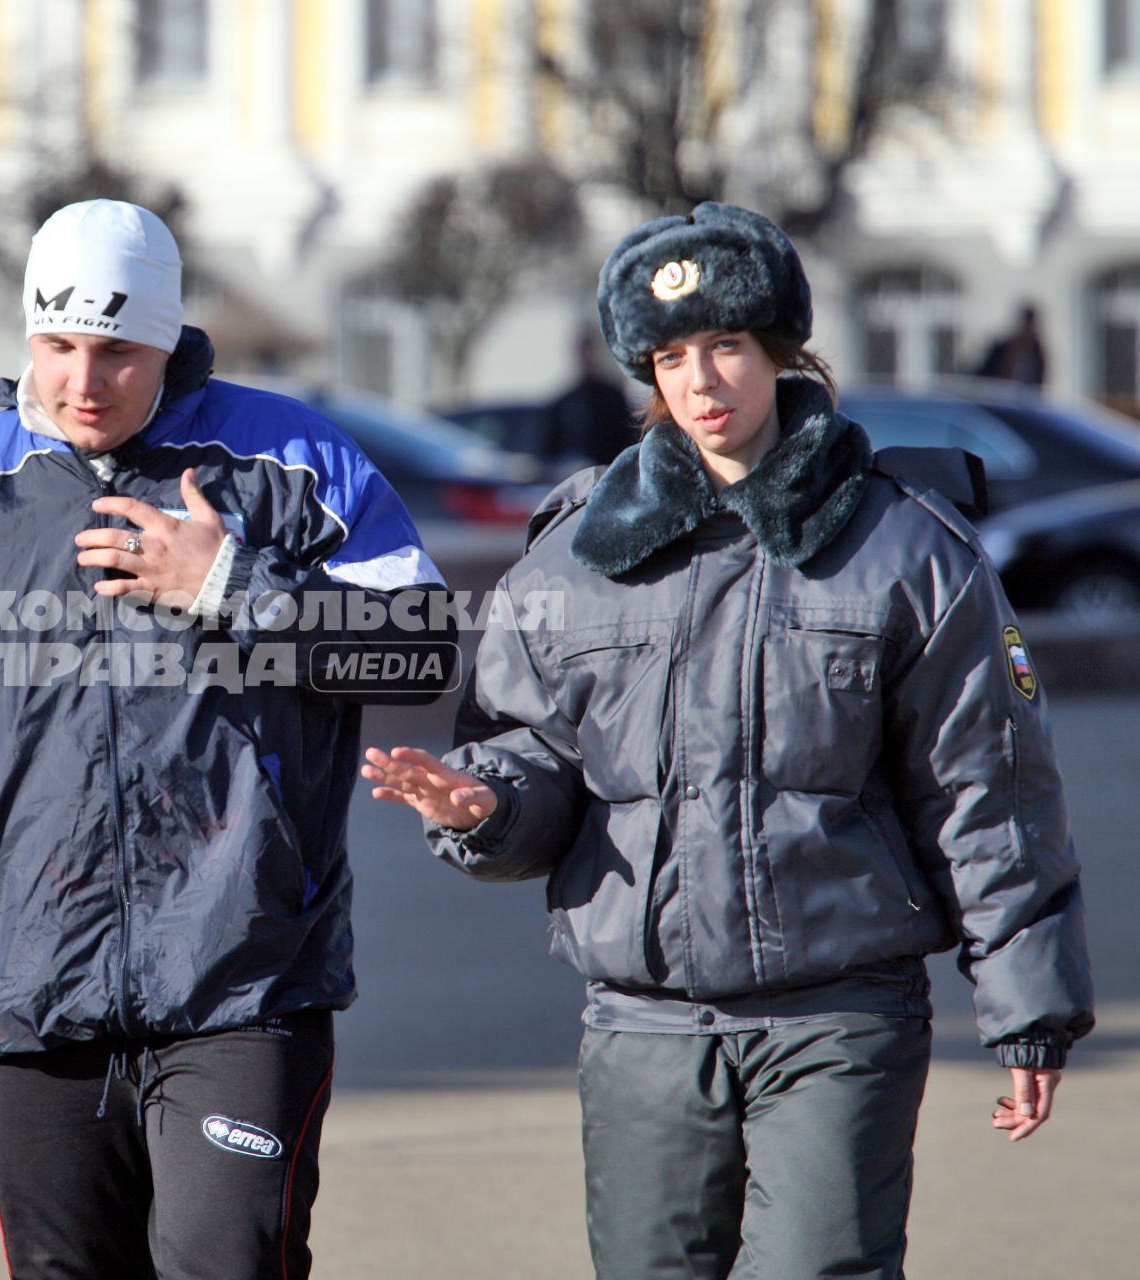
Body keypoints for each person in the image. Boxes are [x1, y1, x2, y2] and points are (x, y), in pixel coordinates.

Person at [364, 202, 1093, 1279]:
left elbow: (986, 783)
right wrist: (484, 803)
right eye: (670, 355)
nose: (702, 381)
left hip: (841, 1015)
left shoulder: (903, 545)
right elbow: (533, 755)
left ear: (783, 351)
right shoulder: (573, 557)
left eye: (727, 346)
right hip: (642, 1027)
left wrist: (1029, 1007)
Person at [0, 199, 456, 1278]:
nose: (82, 381)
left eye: (117, 351)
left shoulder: (291, 461)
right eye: (56, 346)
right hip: (31, 990)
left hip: (243, 983)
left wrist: (231, 585)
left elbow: (419, 650)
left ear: (170, 340)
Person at [547, 330, 635, 467]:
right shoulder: (567, 401)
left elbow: (626, 439)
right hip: (574, 474)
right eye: (583, 352)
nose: (587, 357)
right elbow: (552, 445)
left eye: (589, 352)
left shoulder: (612, 397)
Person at [974, 302, 1047, 386]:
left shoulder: (1037, 356)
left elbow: (1037, 385)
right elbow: (983, 377)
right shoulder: (1000, 350)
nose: (1028, 331)